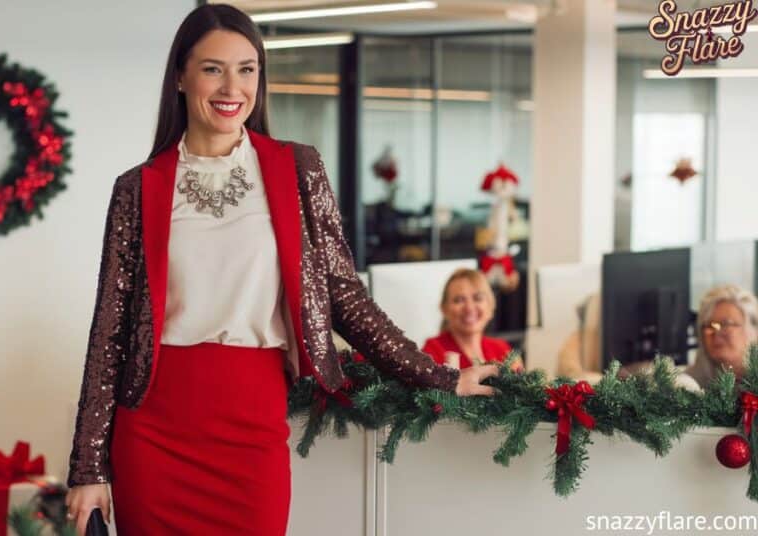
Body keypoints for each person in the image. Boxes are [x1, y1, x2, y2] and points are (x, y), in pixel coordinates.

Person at [64, 4, 499, 534]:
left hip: (251, 424)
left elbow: (344, 296)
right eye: (212, 68)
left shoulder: (298, 170)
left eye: (247, 69)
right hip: (155, 431)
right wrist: (89, 466)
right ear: (180, 76)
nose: (232, 87)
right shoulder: (138, 187)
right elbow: (109, 328)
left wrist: (439, 376)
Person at [422, 268, 523, 371]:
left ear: (490, 307)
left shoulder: (502, 349)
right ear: (444, 308)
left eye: (477, 298)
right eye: (459, 300)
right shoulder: (432, 351)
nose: (469, 308)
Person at [679, 284, 758, 391]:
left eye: (726, 324)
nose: (716, 332)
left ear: (754, 330)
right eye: (709, 325)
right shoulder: (687, 383)